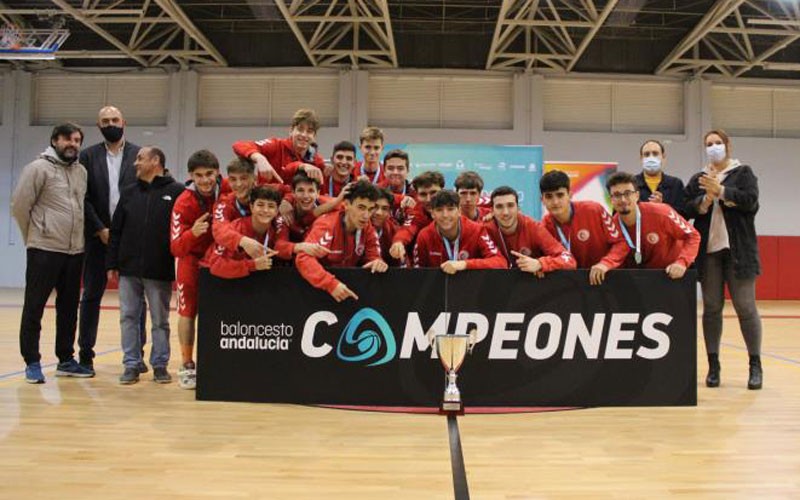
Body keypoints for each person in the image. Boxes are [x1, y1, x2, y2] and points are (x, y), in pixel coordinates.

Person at [11, 123, 93, 383]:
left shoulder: (81, 171)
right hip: (44, 249)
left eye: (78, 140)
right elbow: (19, 206)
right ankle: (32, 362)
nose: (73, 144)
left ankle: (66, 359)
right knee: (34, 306)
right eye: (68, 139)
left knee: (69, 308)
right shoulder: (37, 169)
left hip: (74, 251)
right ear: (55, 141)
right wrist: (35, 237)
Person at [685, 129, 763, 390]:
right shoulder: (699, 177)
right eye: (709, 144)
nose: (714, 147)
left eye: (718, 143)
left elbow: (751, 202)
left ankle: (755, 365)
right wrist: (704, 200)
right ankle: (713, 365)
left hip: (739, 252)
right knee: (711, 308)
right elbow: (685, 208)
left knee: (745, 307)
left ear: (727, 146)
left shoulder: (744, 173)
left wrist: (722, 191)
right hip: (709, 254)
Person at [107, 147, 184, 385]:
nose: (135, 163)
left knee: (160, 320)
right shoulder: (128, 192)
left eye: (140, 159)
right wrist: (112, 262)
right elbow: (116, 230)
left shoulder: (177, 191)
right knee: (128, 317)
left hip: (159, 268)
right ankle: (131, 364)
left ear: (156, 161)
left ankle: (160, 364)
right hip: (129, 268)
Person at [79, 106, 144, 375]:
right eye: (105, 121)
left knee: (136, 300)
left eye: (114, 120)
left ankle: (137, 356)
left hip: (129, 239)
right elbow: (80, 196)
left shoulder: (140, 155)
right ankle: (85, 355)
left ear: (124, 122)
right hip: (96, 237)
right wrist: (99, 228)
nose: (110, 124)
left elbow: (144, 194)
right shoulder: (87, 156)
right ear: (99, 126)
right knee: (91, 295)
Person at [170, 150, 224, 390]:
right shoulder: (183, 202)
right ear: (191, 176)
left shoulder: (227, 193)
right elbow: (175, 247)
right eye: (199, 175)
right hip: (190, 261)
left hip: (220, 260)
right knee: (187, 312)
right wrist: (193, 233)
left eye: (209, 174)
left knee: (219, 313)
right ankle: (186, 363)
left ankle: (215, 362)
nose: (205, 180)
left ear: (218, 173)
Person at [296, 180, 388, 302]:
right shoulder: (327, 225)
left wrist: (378, 263)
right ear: (346, 204)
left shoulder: (367, 228)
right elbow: (303, 258)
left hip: (343, 292)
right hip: (315, 291)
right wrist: (330, 284)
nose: (366, 215)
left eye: (370, 209)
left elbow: (374, 256)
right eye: (361, 207)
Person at [540, 170, 629, 285]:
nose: (555, 202)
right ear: (542, 200)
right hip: (569, 287)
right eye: (549, 196)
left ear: (570, 195)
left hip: (605, 281)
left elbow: (621, 243)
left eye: (560, 195)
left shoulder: (594, 210)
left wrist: (606, 263)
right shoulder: (544, 227)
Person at [606, 172, 700, 279]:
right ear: (611, 200)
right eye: (617, 195)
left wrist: (682, 262)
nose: (623, 200)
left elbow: (693, 235)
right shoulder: (611, 228)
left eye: (627, 193)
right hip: (637, 281)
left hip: (671, 276)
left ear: (637, 195)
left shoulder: (661, 212)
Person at [485, 186, 576, 275]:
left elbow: (569, 260)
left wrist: (540, 264)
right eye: (499, 207)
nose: (505, 212)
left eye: (510, 205)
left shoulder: (533, 228)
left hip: (530, 287)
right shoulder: (486, 229)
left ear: (518, 208)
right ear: (492, 211)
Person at [203, 186, 291, 278]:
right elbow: (215, 265)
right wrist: (252, 265)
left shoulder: (273, 230)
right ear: (251, 207)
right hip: (210, 276)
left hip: (243, 277)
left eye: (271, 206)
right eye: (260, 205)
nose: (265, 210)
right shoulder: (236, 228)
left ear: (277, 211)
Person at [413, 190, 507, 272]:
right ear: (432, 214)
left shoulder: (477, 231)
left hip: (472, 288)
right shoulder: (424, 236)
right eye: (439, 210)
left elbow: (500, 262)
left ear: (459, 211)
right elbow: (418, 274)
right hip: (438, 290)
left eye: (450, 209)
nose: (445, 215)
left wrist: (465, 264)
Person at [232, 108, 325, 186]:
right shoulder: (276, 145)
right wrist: (260, 158)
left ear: (314, 136)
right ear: (291, 131)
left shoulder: (317, 161)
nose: (304, 135)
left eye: (309, 131)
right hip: (267, 204)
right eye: (300, 129)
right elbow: (239, 145)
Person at [389, 170, 445, 262]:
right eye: (423, 194)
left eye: (433, 193)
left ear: (443, 191)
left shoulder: (455, 206)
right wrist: (398, 242)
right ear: (416, 195)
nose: (429, 199)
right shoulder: (417, 210)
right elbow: (408, 229)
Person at [633, 139, 686, 215]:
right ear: (641, 158)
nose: (651, 158)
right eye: (646, 154)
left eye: (655, 154)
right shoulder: (631, 184)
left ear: (663, 157)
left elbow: (683, 215)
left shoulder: (675, 184)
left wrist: (662, 206)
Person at [379, 149, 416, 224]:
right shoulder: (376, 191)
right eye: (390, 168)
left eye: (400, 168)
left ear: (407, 170)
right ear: (384, 171)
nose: (395, 172)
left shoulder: (416, 193)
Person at [371, 188, 404, 267]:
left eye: (384, 208)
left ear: (390, 212)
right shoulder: (356, 229)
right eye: (375, 207)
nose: (379, 213)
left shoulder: (395, 231)